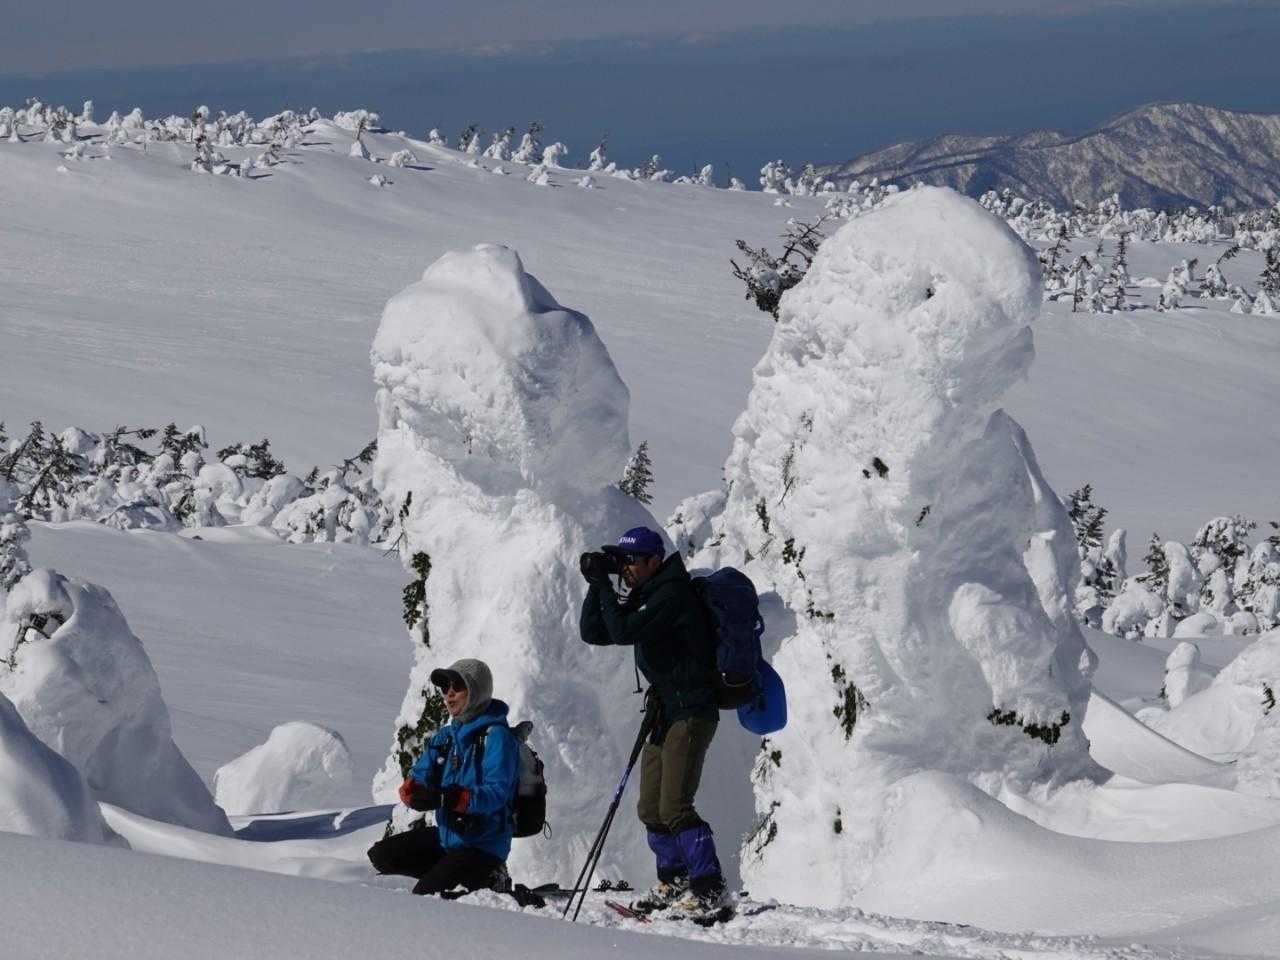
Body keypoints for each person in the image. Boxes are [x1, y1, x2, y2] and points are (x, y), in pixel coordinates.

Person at [578, 526, 726, 916]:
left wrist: (605, 585)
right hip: (665, 713)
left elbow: (624, 630)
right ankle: (674, 880)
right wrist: (598, 584)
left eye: (631, 561)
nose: (625, 568)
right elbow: (593, 632)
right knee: (650, 808)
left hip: (691, 711)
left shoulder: (672, 594)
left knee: (675, 805)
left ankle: (709, 887)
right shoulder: (648, 594)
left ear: (655, 561)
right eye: (621, 561)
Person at [367, 658, 519, 898]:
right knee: (381, 856)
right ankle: (451, 874)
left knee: (424, 898)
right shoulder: (447, 737)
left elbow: (496, 794)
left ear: (477, 691)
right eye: (445, 687)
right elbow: (419, 776)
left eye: (457, 686)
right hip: (449, 838)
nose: (449, 694)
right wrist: (413, 792)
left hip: (484, 845)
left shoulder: (497, 737)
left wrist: (449, 798)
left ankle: (490, 875)